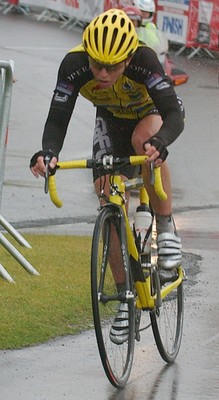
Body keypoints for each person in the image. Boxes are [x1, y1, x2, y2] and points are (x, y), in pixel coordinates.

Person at [30, 8, 184, 344]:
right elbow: (58, 116)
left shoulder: (144, 59)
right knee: (107, 194)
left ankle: (168, 227)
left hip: (151, 112)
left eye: (111, 66)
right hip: (111, 117)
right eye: (96, 62)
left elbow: (174, 113)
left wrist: (162, 141)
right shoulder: (75, 65)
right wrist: (48, 152)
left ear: (128, 59)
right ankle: (123, 298)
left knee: (144, 143)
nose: (101, 72)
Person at [133, 0, 169, 67]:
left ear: (151, 14)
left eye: (146, 13)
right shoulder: (130, 23)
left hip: (145, 57)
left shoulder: (151, 26)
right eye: (142, 12)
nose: (144, 15)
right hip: (132, 56)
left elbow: (157, 44)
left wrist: (160, 50)